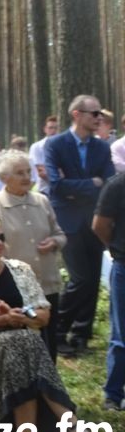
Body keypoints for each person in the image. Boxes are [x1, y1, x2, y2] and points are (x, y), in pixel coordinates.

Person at [0, 216, 104, 432]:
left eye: (1, 237)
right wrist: (4, 319)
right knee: (26, 342)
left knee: (22, 346)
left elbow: (42, 315)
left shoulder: (19, 270)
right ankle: (72, 427)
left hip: (21, 345)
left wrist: (23, 314)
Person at [45, 94, 115, 356]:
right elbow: (56, 185)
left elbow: (108, 183)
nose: (99, 118)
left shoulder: (102, 147)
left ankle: (81, 335)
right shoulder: (56, 144)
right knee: (80, 278)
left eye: (100, 114)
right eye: (94, 113)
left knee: (93, 278)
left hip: (95, 221)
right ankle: (58, 330)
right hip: (68, 223)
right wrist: (91, 183)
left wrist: (75, 187)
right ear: (76, 115)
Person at [0, 149, 66, 361]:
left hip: (47, 284)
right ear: (4, 177)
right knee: (22, 346)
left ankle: (49, 382)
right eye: (20, 173)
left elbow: (59, 234)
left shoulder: (42, 201)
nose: (27, 177)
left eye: (28, 171)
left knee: (48, 343)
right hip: (16, 288)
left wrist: (54, 242)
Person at [92, 171, 125, 410]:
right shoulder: (118, 185)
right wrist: (117, 248)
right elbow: (100, 225)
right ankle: (113, 394)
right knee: (122, 334)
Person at [28, 115, 59, 196]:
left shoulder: (64, 147)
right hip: (44, 191)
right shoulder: (36, 147)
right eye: (50, 128)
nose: (53, 131)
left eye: (56, 128)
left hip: (61, 192)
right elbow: (41, 171)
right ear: (45, 129)